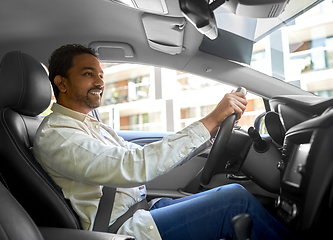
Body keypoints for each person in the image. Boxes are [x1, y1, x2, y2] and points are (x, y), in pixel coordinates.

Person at [33, 44, 294, 240]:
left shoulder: (87, 125)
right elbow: (133, 166)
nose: (100, 81)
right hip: (121, 229)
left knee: (229, 196)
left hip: (142, 210)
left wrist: (208, 136)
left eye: (101, 74)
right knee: (234, 201)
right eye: (89, 74)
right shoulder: (58, 134)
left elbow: (141, 153)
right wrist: (211, 119)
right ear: (62, 83)